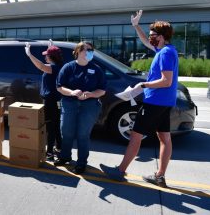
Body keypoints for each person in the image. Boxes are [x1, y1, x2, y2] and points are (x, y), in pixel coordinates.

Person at [101, 10, 178, 188]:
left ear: (161, 36)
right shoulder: (166, 50)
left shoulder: (165, 53)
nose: (150, 37)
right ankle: (160, 176)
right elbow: (144, 41)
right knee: (165, 138)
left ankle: (119, 171)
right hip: (164, 102)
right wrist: (136, 25)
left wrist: (142, 86)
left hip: (155, 102)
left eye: (153, 35)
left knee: (135, 136)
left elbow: (166, 81)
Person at [54, 42, 106, 174]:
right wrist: (71, 92)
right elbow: (60, 87)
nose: (90, 52)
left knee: (83, 134)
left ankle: (81, 163)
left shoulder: (96, 69)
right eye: (87, 50)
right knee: (66, 132)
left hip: (89, 106)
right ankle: (65, 157)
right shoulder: (68, 67)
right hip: (69, 103)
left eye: (91, 50)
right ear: (78, 52)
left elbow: (102, 90)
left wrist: (91, 94)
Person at [25, 40, 64, 161]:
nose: (45, 56)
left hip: (51, 100)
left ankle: (50, 152)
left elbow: (41, 66)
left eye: (47, 54)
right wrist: (50, 47)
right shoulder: (60, 66)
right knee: (56, 124)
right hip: (56, 99)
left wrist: (29, 54)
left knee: (50, 126)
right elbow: (47, 63)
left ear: (51, 57)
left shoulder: (53, 68)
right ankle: (59, 148)